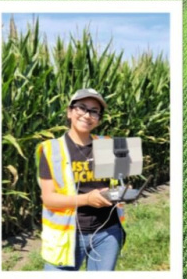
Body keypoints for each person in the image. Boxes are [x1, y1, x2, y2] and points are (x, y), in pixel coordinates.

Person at [35, 88, 126, 271]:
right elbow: (49, 198)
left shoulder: (109, 144)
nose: (87, 115)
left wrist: (124, 192)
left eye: (94, 111)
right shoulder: (51, 149)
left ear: (99, 119)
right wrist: (86, 199)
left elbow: (120, 182)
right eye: (81, 108)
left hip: (107, 233)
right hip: (66, 236)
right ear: (70, 111)